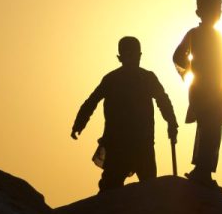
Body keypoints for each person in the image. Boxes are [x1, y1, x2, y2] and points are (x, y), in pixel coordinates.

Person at [71, 36, 179, 193]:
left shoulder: (123, 79)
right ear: (122, 57)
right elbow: (92, 102)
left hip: (135, 143)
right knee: (122, 186)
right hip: (123, 143)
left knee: (137, 186)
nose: (132, 59)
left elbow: (163, 101)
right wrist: (79, 123)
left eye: (133, 55)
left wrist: (172, 123)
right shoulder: (121, 79)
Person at [171, 0, 222, 193]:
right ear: (200, 12)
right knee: (209, 128)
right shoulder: (194, 34)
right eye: (214, 9)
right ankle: (202, 172)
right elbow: (179, 56)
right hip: (205, 88)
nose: (217, 13)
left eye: (219, 9)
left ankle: (204, 171)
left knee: (213, 130)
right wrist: (194, 69)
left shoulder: (218, 36)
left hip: (216, 87)